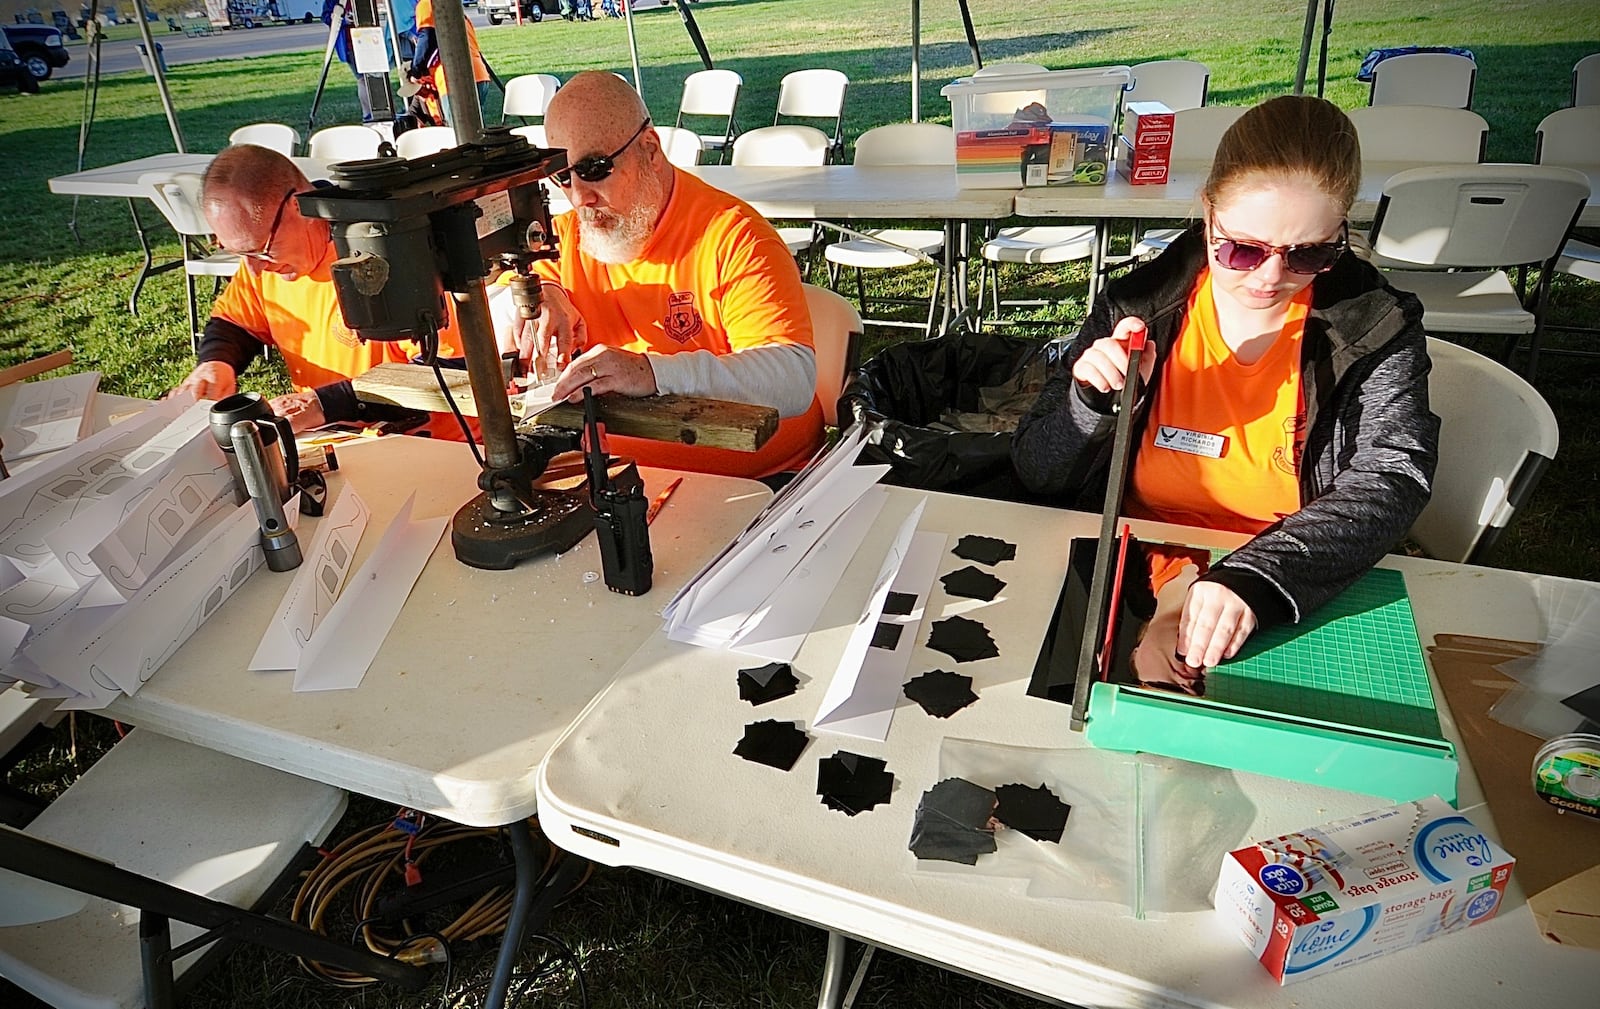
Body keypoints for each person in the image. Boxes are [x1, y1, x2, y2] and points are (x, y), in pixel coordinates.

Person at [1012, 95, 1438, 686]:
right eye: (1242, 249)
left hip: (1301, 575)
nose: (1269, 277)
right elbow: (1038, 469)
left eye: (1310, 252)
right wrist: (1094, 404)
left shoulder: (1375, 325)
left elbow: (1391, 477)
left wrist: (1254, 578)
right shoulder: (1138, 306)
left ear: (1342, 230)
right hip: (1138, 572)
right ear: (1207, 213)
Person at [504, 70, 824, 480]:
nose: (580, 197)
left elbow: (792, 377)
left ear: (650, 150)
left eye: (596, 168)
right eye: (563, 177)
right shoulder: (566, 236)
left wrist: (652, 373)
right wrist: (546, 291)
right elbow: (516, 286)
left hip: (758, 481)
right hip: (622, 478)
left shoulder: (733, 234)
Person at [169, 145, 442, 433]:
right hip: (329, 437)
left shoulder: (388, 251)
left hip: (432, 445)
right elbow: (236, 322)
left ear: (300, 206)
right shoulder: (266, 260)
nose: (254, 269)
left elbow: (447, 373)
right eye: (235, 252)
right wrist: (216, 362)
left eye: (260, 251)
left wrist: (326, 404)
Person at [409, 0, 491, 127]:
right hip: (479, 74)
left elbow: (426, 37)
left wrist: (416, 71)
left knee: (458, 132)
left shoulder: (427, 4)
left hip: (453, 79)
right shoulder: (453, 6)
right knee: (477, 130)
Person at [320, 0, 372, 123]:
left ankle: (374, 109)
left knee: (372, 77)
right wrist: (344, 20)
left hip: (368, 40)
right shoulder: (332, 1)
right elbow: (326, 17)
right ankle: (367, 112)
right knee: (362, 78)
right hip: (350, 45)